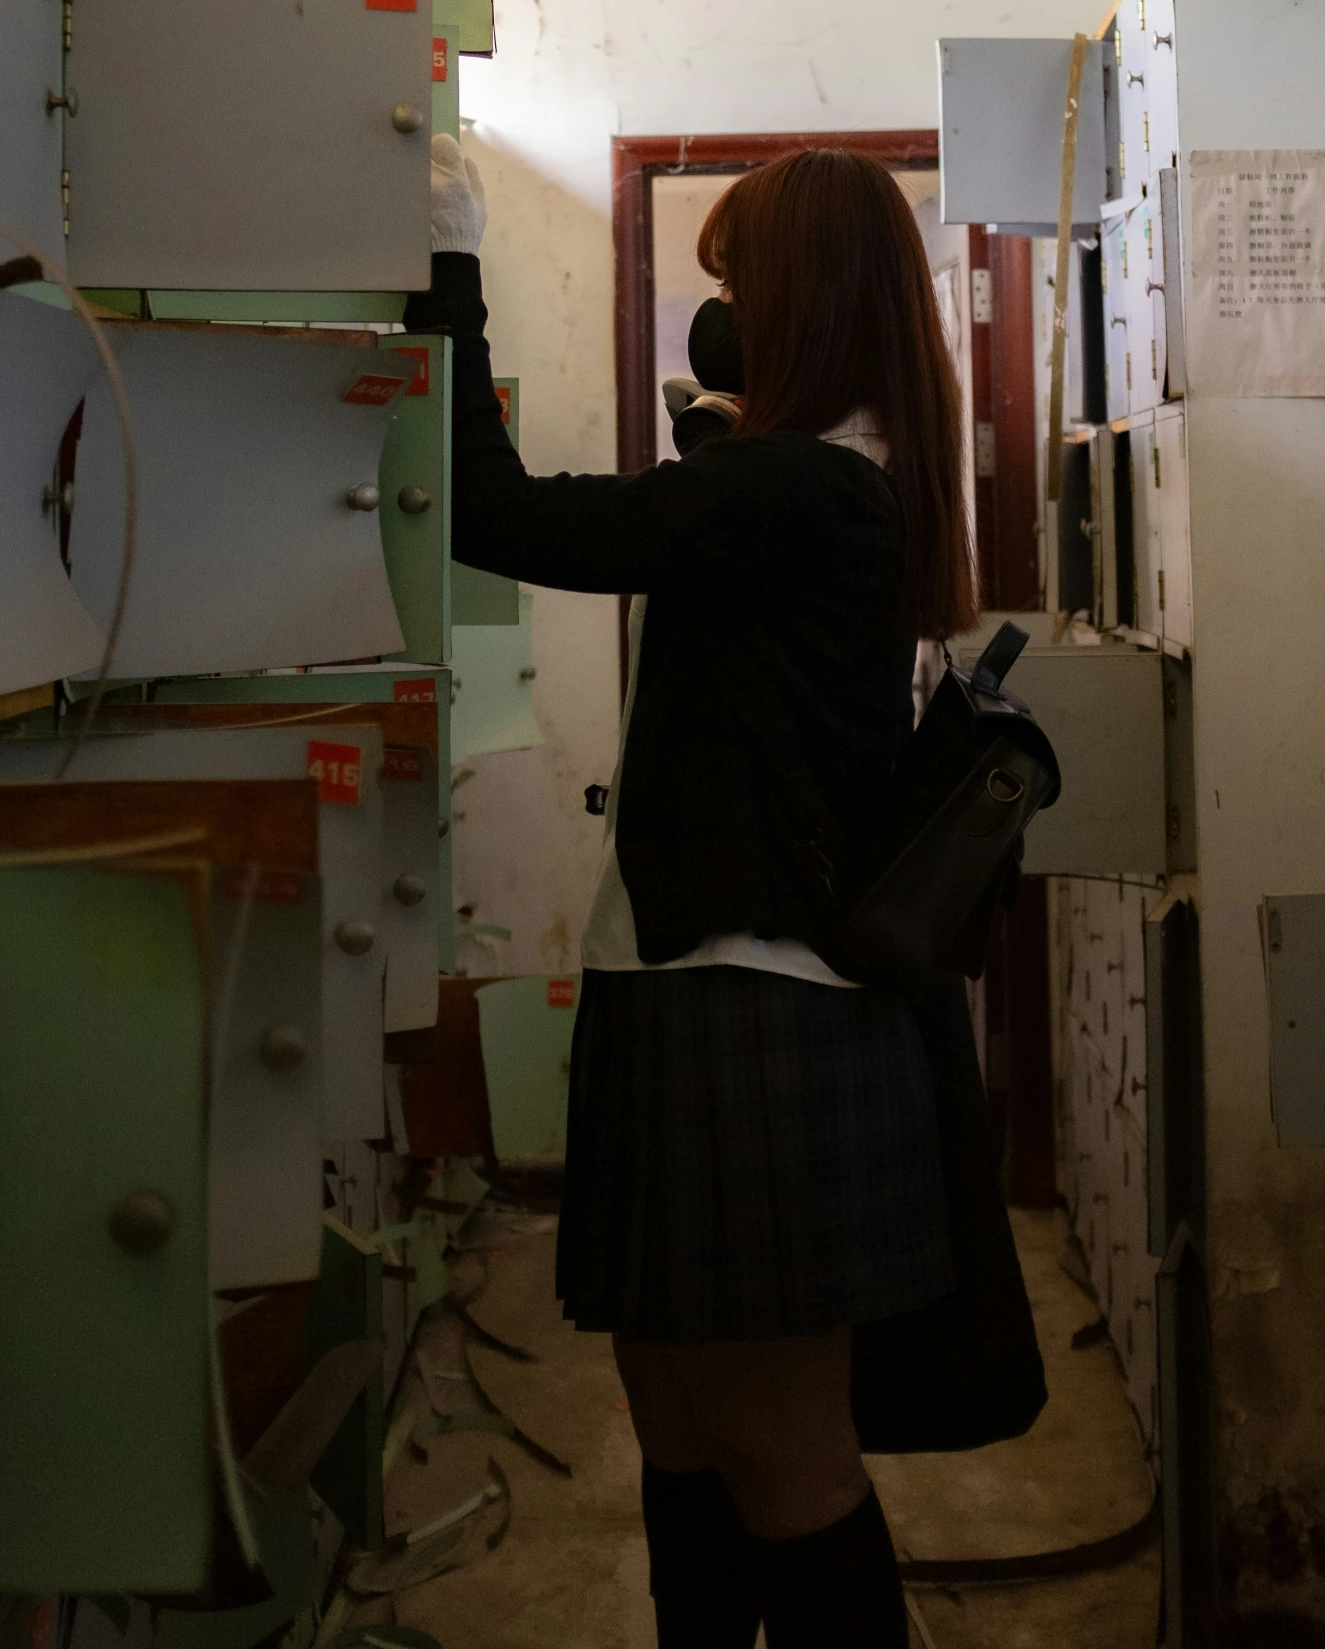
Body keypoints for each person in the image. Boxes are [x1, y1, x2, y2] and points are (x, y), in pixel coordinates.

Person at [405, 139, 988, 1649]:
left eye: (737, 284)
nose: (715, 312)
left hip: (760, 1013)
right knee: (672, 1418)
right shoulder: (818, 474)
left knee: (780, 1449)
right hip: (685, 991)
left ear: (801, 304)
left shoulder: (798, 491)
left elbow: (498, 514)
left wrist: (446, 272)